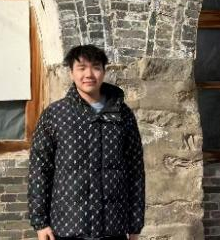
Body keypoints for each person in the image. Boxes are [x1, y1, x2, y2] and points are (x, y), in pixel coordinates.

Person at [28, 44, 145, 240]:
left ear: (104, 71)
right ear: (71, 72)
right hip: (67, 227)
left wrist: (134, 225)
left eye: (96, 67)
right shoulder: (55, 115)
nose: (89, 74)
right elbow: (40, 170)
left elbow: (135, 171)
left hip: (113, 227)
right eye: (81, 68)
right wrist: (41, 223)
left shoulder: (122, 114)